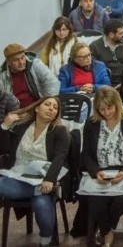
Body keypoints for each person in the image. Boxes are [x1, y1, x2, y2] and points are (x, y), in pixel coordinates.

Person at [0, 96, 69, 247]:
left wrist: (50, 180)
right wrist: (5, 126)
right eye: (47, 104)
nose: (51, 109)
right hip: (17, 176)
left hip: (43, 179)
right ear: (37, 108)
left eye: (55, 107)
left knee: (42, 203)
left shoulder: (59, 131)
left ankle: (45, 241)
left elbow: (60, 158)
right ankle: (37, 191)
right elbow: (3, 149)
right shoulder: (21, 127)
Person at [81, 86, 123, 247]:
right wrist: (96, 172)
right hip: (102, 170)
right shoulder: (92, 123)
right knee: (96, 198)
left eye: (109, 108)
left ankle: (105, 229)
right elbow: (87, 154)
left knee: (122, 199)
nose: (106, 113)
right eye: (101, 109)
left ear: (117, 104)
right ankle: (107, 232)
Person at [0, 43, 60, 108]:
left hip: (38, 106)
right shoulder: (2, 75)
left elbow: (52, 82)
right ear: (8, 62)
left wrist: (44, 103)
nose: (21, 62)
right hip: (16, 111)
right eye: (16, 60)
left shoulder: (35, 64)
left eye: (22, 58)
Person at [89, 19, 123, 89]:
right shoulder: (94, 47)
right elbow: (95, 71)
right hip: (104, 85)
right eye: (121, 33)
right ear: (111, 35)